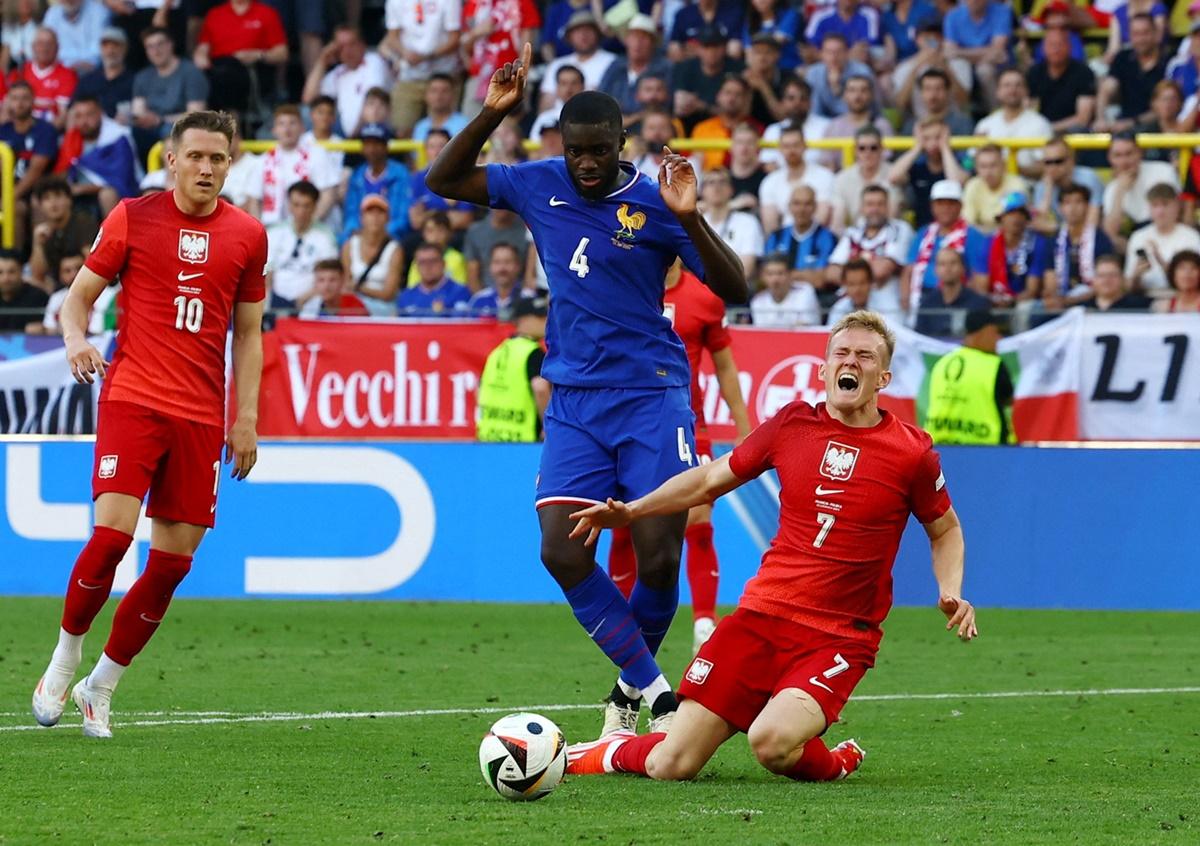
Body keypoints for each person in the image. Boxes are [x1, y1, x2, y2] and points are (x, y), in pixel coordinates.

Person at [425, 45, 747, 736]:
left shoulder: (657, 205)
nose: (588, 163)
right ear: (562, 146)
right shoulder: (537, 181)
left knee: (660, 558)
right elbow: (443, 179)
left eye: (600, 150)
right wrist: (490, 113)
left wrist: (690, 218)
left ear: (623, 143)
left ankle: (629, 696)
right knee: (561, 551)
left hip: (651, 395)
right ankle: (655, 692)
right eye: (577, 151)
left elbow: (735, 288)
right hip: (573, 399)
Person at [565, 310, 977, 784]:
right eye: (841, 353)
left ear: (882, 377)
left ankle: (837, 760)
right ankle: (608, 750)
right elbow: (709, 479)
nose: (852, 362)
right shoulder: (791, 425)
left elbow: (944, 529)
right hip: (762, 617)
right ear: (823, 369)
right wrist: (633, 510)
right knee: (670, 765)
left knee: (771, 742)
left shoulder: (912, 452)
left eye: (865, 356)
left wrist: (951, 589)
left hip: (839, 635)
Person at [29, 110, 267, 739]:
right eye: (196, 156)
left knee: (170, 565)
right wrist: (78, 340)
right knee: (111, 539)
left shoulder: (248, 235)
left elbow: (248, 335)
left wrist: (244, 417)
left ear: (230, 163)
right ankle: (63, 661)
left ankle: (99, 687)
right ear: (172, 159)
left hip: (198, 416)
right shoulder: (133, 216)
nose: (207, 168)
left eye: (218, 158)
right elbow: (78, 298)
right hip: (132, 398)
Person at [607, 258, 753, 652]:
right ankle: (623, 625)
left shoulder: (704, 297)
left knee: (699, 512)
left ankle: (704, 621)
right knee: (623, 520)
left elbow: (724, 364)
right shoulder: (626, 284)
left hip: (688, 423)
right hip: (630, 422)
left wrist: (743, 429)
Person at [923, 309, 1015, 445]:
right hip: (986, 449)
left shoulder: (942, 362)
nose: (998, 339)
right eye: (995, 333)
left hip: (939, 447)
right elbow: (1008, 400)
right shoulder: (993, 365)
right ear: (981, 333)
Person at [902, 179, 990, 316]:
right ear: (932, 206)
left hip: (956, 302)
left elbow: (979, 278)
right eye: (940, 203)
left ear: (960, 206)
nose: (945, 208)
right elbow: (908, 271)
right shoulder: (923, 233)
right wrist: (905, 299)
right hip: (920, 298)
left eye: (951, 203)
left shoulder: (973, 236)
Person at [249, 104, 340, 227]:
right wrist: (259, 231)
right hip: (273, 229)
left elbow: (328, 194)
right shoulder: (262, 161)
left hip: (314, 226)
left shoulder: (318, 154)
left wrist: (310, 225)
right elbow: (254, 200)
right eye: (281, 124)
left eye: (292, 123)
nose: (287, 129)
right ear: (274, 130)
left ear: (302, 128)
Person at [826, 185, 912, 314]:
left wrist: (850, 273)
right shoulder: (853, 232)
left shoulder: (899, 229)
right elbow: (831, 272)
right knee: (835, 318)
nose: (875, 209)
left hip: (886, 301)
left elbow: (882, 270)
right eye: (870, 204)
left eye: (880, 204)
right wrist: (863, 275)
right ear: (862, 208)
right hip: (850, 300)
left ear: (887, 207)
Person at [476, 293, 550, 441]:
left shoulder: (498, 351)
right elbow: (540, 389)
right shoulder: (533, 352)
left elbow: (479, 389)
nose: (546, 322)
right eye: (540, 317)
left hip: (489, 437)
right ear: (522, 320)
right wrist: (548, 426)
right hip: (522, 440)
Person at [131, 26, 208, 159]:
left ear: (170, 44)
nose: (156, 51)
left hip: (180, 128)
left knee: (170, 131)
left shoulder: (191, 73)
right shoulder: (142, 77)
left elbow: (195, 115)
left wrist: (160, 120)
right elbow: (138, 111)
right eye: (150, 47)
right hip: (150, 129)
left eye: (160, 44)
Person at [302, 26, 391, 139]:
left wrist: (352, 140)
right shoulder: (338, 73)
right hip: (345, 134)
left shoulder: (373, 61)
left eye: (352, 44)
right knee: (307, 113)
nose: (347, 50)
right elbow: (309, 99)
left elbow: (373, 104)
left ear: (362, 45)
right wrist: (322, 61)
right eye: (341, 46)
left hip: (373, 131)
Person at [0, 81, 58, 252]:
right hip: (6, 188)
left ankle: (14, 259)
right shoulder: (3, 130)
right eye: (15, 98)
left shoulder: (45, 129)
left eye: (25, 98)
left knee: (16, 208)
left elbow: (36, 171)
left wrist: (8, 198)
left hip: (36, 189)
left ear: (33, 101)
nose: (20, 103)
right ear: (8, 101)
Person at [265, 180, 339, 310]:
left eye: (306, 205)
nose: (301, 211)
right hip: (274, 301)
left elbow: (329, 276)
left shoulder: (325, 236)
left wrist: (303, 299)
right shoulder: (274, 233)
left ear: (315, 206)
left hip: (312, 300)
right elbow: (266, 270)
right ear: (289, 205)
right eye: (296, 205)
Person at [1101, 132, 1179, 253]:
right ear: (1110, 158)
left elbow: (1176, 213)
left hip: (1167, 232)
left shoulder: (1163, 171)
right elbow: (1109, 233)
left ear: (1140, 153)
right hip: (1134, 241)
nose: (1124, 161)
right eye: (1118, 155)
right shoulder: (1112, 188)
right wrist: (1120, 191)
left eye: (1129, 154)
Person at [888, 117, 968, 229]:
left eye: (938, 137)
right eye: (927, 138)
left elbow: (956, 183)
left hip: (955, 229)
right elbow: (893, 177)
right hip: (923, 229)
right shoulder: (918, 167)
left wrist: (945, 147)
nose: (933, 143)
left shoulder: (957, 162)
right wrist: (917, 147)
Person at [1043, 183, 1114, 308]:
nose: (1073, 208)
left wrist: (1071, 301)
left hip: (1092, 302)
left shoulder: (1101, 240)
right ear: (1060, 208)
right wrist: (1054, 297)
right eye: (1067, 203)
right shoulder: (1053, 240)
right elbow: (1050, 278)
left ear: (1087, 206)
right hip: (1061, 301)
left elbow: (1104, 282)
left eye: (1078, 202)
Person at [1094, 13, 1167, 133]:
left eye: (1145, 33)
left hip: (1156, 128)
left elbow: (1165, 108)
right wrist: (1100, 119)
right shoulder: (1123, 58)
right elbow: (1107, 88)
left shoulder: (1167, 62)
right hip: (1123, 124)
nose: (1141, 39)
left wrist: (1132, 122)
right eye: (1136, 34)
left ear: (1156, 34)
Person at [973, 70, 1052, 178]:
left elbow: (1046, 166)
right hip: (988, 189)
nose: (1012, 90)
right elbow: (968, 165)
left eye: (1018, 85)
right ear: (998, 91)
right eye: (1007, 85)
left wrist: (1010, 168)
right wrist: (976, 151)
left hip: (1027, 187)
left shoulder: (1040, 124)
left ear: (1026, 91)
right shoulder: (984, 125)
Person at [758, 126, 835, 234]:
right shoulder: (770, 182)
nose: (791, 150)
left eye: (796, 145)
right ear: (780, 149)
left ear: (805, 146)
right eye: (786, 146)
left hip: (815, 242)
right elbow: (770, 226)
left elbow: (821, 218)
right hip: (782, 243)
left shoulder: (824, 176)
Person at [341, 122, 410, 243]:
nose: (372, 149)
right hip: (360, 235)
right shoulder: (357, 175)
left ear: (385, 147)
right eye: (367, 144)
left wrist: (380, 233)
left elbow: (403, 215)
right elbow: (351, 213)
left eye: (376, 144)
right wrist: (356, 231)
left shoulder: (400, 174)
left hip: (392, 237)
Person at [1124, 183, 1200, 292]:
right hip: (1145, 298)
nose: (1160, 211)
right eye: (1155, 205)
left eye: (1165, 204)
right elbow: (1127, 286)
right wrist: (1136, 276)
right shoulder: (1138, 236)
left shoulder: (1191, 237)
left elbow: (1194, 282)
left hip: (1179, 297)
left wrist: (1159, 259)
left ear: (1177, 206)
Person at [764, 185, 838, 296]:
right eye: (797, 203)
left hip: (816, 299)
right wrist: (807, 275)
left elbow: (820, 280)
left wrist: (784, 275)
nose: (801, 210)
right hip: (779, 297)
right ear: (789, 207)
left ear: (815, 207)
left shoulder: (828, 238)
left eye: (807, 204)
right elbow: (764, 276)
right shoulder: (776, 237)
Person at [28, 175, 98, 293]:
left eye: (58, 196)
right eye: (47, 198)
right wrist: (37, 244)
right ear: (40, 205)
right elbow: (38, 276)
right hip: (60, 288)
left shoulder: (83, 222)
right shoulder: (44, 232)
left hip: (86, 285)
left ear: (69, 200)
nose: (53, 203)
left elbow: (92, 263)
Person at [538, 11, 615, 112]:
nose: (583, 35)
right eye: (578, 31)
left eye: (588, 30)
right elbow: (545, 105)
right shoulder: (556, 64)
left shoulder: (613, 62)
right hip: (556, 124)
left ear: (597, 33)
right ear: (569, 37)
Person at [942, 0, 1012, 112]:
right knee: (957, 66)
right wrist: (985, 53)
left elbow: (998, 50)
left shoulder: (1002, 11)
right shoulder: (953, 15)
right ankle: (962, 115)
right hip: (968, 63)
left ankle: (997, 112)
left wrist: (960, 52)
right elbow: (949, 52)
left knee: (984, 70)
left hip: (994, 65)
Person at [829, 126, 899, 234]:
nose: (868, 153)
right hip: (855, 238)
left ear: (881, 149)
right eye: (862, 148)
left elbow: (892, 217)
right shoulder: (842, 179)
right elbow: (837, 223)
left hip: (889, 238)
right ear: (855, 150)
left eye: (873, 148)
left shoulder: (894, 174)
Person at [1026, 26, 1096, 134]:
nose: (1056, 49)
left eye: (1060, 44)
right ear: (1043, 48)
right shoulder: (1034, 73)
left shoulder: (1084, 73)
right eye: (1052, 45)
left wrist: (1048, 128)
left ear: (1070, 47)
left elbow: (1083, 118)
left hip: (1071, 132)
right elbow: (1029, 109)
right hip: (1040, 132)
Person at [341, 194, 403, 317]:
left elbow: (388, 293)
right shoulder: (350, 245)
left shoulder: (394, 250)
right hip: (354, 305)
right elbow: (346, 283)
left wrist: (359, 287)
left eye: (380, 213)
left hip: (383, 308)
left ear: (387, 218)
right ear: (362, 218)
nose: (375, 217)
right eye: (370, 213)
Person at [599, 14, 670, 117]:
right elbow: (601, 98)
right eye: (634, 37)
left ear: (653, 42)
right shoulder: (615, 66)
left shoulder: (665, 68)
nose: (638, 43)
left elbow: (668, 104)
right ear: (626, 40)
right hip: (614, 128)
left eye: (644, 38)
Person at [699, 168, 764, 279]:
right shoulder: (697, 224)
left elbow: (746, 269)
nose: (717, 187)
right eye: (711, 182)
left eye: (722, 182)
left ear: (731, 189)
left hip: (734, 288)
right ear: (702, 191)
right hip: (700, 288)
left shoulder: (747, 222)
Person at [1031, 136, 1104, 235]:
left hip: (1090, 241)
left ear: (1071, 161)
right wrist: (1048, 191)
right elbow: (1038, 225)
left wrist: (1056, 229)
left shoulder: (1088, 179)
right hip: (1060, 240)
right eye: (1048, 162)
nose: (1053, 167)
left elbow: (1092, 226)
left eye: (1058, 161)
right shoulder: (1042, 187)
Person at [987, 193, 1050, 305]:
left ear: (1027, 219)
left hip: (1024, 303)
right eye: (1010, 213)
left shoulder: (1037, 243)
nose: (1016, 218)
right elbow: (981, 285)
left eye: (1021, 213)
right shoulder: (988, 244)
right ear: (1001, 218)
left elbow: (1032, 290)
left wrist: (1011, 302)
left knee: (1026, 307)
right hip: (993, 302)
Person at [915, 248, 992, 336]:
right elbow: (920, 339)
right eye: (942, 264)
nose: (948, 268)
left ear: (963, 268)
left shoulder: (979, 303)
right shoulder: (927, 303)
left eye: (953, 263)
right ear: (935, 270)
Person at [13, 27, 78, 130]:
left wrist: (43, 133)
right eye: (40, 44)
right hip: (19, 130)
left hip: (49, 131)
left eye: (49, 44)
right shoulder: (21, 71)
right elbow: (10, 107)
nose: (44, 48)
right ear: (33, 47)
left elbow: (63, 116)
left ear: (57, 48)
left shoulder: (67, 75)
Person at [804, 33, 873, 120]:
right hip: (822, 123)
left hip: (856, 121)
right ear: (821, 54)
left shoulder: (862, 71)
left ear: (847, 53)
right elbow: (814, 110)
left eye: (838, 52)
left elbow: (868, 108)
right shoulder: (813, 73)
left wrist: (837, 89)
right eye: (828, 52)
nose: (833, 57)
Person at [961, 144, 1029, 233]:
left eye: (993, 165)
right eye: (983, 166)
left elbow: (1015, 224)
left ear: (1003, 165)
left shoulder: (1017, 185)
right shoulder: (972, 185)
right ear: (977, 168)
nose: (988, 172)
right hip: (981, 240)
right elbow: (967, 224)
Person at [74, 27, 134, 123]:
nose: (110, 51)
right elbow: (73, 110)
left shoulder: (135, 81)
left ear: (125, 48)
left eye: (115, 46)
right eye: (105, 46)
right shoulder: (87, 80)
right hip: (88, 132)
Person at [464, 208, 529, 292]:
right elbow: (472, 273)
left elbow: (530, 272)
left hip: (519, 294)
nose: (500, 207)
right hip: (486, 294)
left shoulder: (527, 229)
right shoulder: (475, 231)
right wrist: (482, 298)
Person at [397, 241, 471, 315]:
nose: (428, 267)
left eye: (433, 261)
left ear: (443, 264)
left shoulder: (460, 292)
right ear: (416, 267)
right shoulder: (406, 296)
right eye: (422, 262)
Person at [750, 252, 820, 326]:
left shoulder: (805, 292)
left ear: (790, 274)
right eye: (770, 274)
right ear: (763, 277)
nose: (775, 279)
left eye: (780, 273)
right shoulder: (758, 301)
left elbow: (804, 327)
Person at [468, 241, 529, 316]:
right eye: (497, 262)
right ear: (490, 266)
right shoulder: (478, 300)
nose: (502, 268)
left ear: (518, 266)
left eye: (508, 262)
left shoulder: (528, 299)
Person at [1078, 254, 1152, 312]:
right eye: (1101, 276)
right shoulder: (1081, 309)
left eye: (1112, 275)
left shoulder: (1140, 306)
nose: (1107, 280)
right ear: (1093, 280)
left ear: (1122, 278)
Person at [297, 258, 370, 317]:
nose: (326, 286)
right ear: (315, 283)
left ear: (342, 281)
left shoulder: (355, 308)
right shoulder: (310, 306)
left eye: (332, 280)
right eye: (321, 280)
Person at [0, 248, 50, 331]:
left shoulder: (38, 297)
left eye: (11, 272)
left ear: (21, 271)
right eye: (0, 272)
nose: (6, 278)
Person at [411, 73, 468, 141]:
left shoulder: (465, 124)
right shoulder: (420, 126)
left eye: (444, 91)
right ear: (425, 95)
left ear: (453, 95)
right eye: (434, 91)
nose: (438, 96)